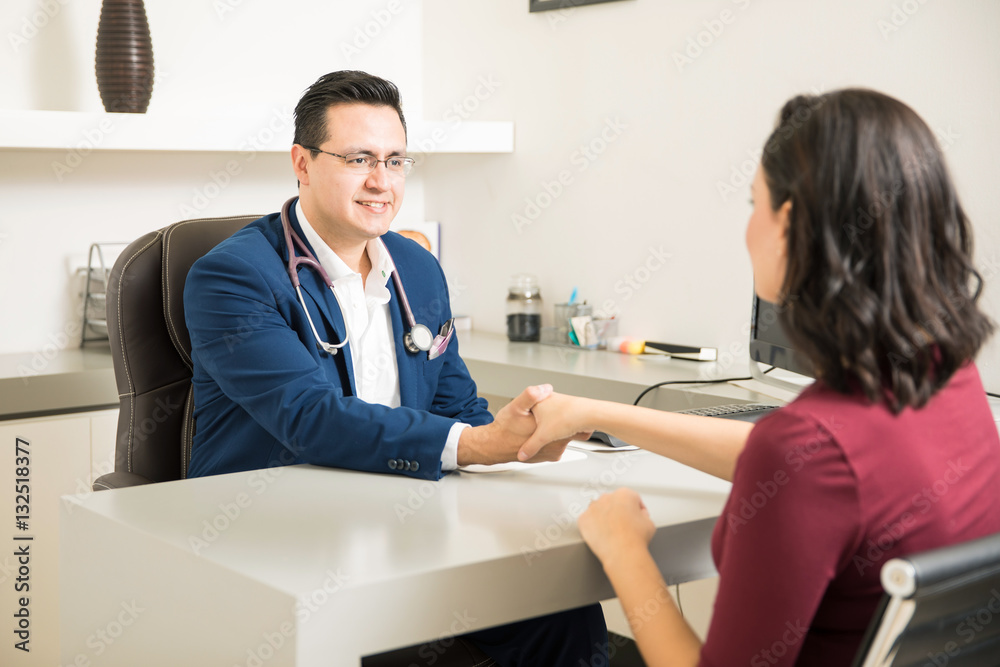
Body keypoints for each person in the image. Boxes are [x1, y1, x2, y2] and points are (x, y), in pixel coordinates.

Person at [516, 88, 1000, 666]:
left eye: (754, 204)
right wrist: (595, 412)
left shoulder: (809, 450)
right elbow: (806, 463)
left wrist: (624, 550)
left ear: (789, 225)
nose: (747, 229)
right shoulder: (948, 377)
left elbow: (797, 461)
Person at [183, 70, 605, 666]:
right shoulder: (233, 277)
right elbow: (310, 418)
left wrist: (517, 439)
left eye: (396, 160)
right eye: (359, 158)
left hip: (401, 523)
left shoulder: (416, 266)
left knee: (563, 605)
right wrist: (481, 444)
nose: (382, 182)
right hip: (274, 537)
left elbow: (457, 407)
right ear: (302, 163)